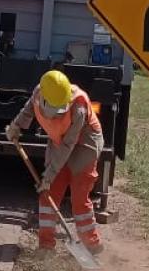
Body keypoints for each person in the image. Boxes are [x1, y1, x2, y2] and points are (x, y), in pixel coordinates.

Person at [6, 70, 104, 255]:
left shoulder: (79, 106)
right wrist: (15, 127)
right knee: (48, 193)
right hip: (59, 141)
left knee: (79, 197)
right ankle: (46, 246)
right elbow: (28, 109)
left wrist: (49, 175)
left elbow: (69, 144)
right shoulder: (39, 91)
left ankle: (92, 245)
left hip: (84, 144)